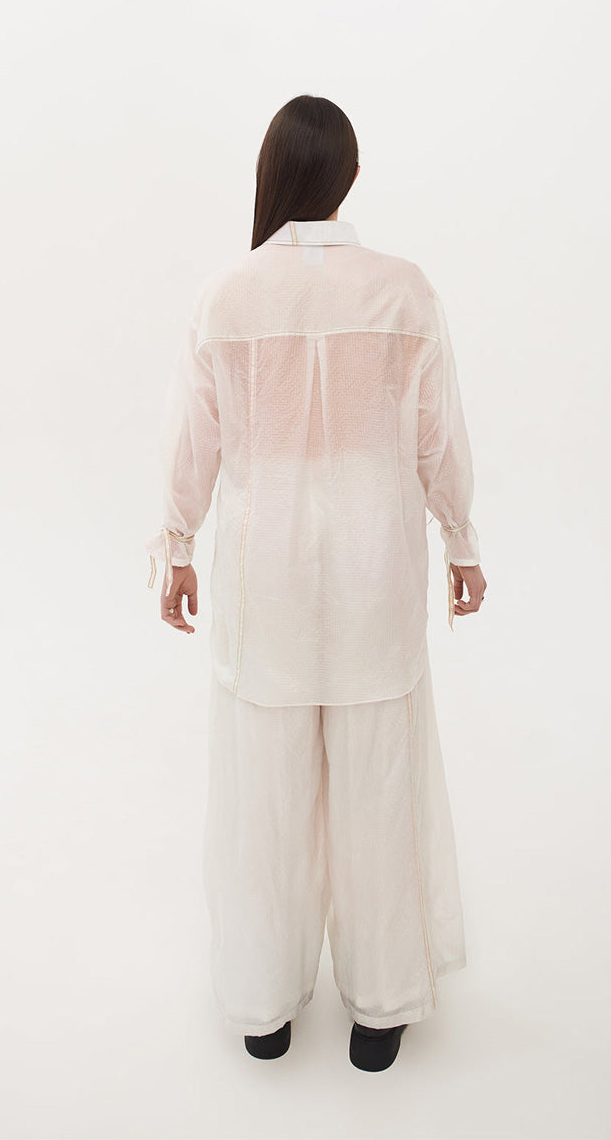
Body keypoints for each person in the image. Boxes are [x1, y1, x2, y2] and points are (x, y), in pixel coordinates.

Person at [145, 94, 487, 1073]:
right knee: (378, 785)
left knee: (264, 795)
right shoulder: (403, 292)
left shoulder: (226, 296)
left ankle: (263, 1010)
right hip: (377, 576)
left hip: (267, 585)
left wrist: (174, 545)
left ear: (271, 173)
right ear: (348, 177)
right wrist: (461, 541)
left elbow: (194, 442)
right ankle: (380, 1011)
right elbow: (436, 438)